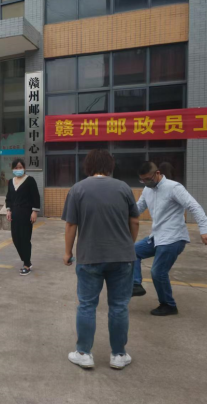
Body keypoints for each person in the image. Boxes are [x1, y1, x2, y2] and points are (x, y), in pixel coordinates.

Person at [62, 149, 140, 370]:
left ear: (88, 166)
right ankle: (118, 355)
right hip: (122, 257)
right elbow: (135, 221)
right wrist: (128, 245)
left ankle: (84, 353)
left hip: (90, 257)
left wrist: (67, 252)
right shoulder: (123, 188)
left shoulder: (77, 189)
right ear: (110, 166)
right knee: (119, 306)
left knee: (87, 305)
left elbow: (71, 224)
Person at [132, 162, 207, 316]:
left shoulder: (174, 187)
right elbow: (138, 208)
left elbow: (194, 206)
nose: (146, 182)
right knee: (132, 251)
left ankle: (168, 305)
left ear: (157, 173)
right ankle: (136, 284)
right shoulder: (147, 190)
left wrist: (204, 229)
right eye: (142, 180)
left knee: (158, 272)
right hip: (157, 236)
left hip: (173, 238)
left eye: (148, 179)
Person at [5, 159, 40, 275]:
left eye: (20, 167)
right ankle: (26, 260)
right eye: (16, 168)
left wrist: (34, 212)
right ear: (12, 169)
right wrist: (8, 210)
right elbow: (9, 198)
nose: (18, 169)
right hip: (15, 214)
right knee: (16, 239)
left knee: (25, 238)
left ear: (24, 168)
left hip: (26, 213)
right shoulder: (11, 182)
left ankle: (27, 264)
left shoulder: (30, 180)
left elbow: (35, 197)